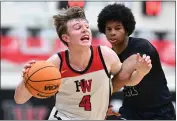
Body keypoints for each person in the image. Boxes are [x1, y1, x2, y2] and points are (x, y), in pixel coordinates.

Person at [14, 6, 152, 120]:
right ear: (66, 37)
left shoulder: (106, 55)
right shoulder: (56, 63)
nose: (85, 29)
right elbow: (19, 100)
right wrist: (27, 79)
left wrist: (141, 72)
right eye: (77, 27)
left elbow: (127, 81)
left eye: (86, 26)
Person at [97, 3, 176, 120]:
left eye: (117, 28)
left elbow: (122, 79)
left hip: (158, 111)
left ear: (126, 30)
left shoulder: (141, 46)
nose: (112, 32)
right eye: (108, 29)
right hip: (131, 111)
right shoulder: (109, 55)